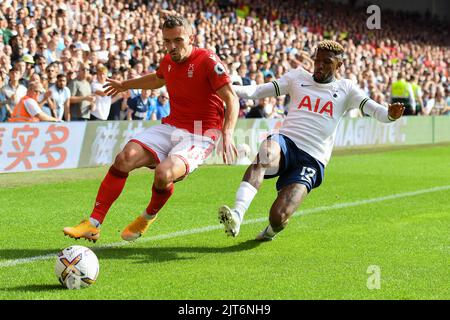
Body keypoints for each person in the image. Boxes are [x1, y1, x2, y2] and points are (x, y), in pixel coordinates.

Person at [63, 15, 239, 243]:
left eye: (178, 40)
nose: (172, 47)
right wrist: (125, 85)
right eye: (167, 41)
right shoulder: (168, 60)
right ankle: (93, 224)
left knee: (164, 174)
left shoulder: (207, 60)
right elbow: (158, 79)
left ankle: (147, 217)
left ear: (191, 38)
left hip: (201, 133)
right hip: (172, 126)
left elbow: (231, 99)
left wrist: (228, 132)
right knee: (124, 158)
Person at [218, 40, 405, 241]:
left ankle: (270, 231)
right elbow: (255, 91)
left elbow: (377, 112)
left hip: (312, 159)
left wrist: (391, 115)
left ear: (338, 65)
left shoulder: (347, 89)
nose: (320, 65)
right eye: (317, 60)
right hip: (286, 142)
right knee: (265, 154)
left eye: (327, 62)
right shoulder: (297, 77)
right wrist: (221, 86)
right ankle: (237, 214)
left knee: (278, 217)